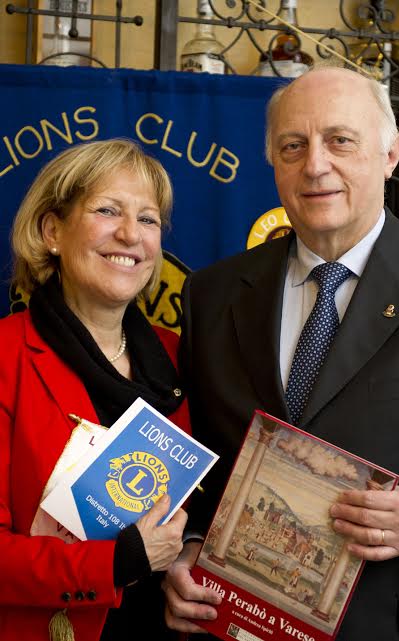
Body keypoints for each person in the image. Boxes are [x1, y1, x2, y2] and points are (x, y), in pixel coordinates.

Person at [162, 66, 399, 641]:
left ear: (390, 154)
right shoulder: (211, 294)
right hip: (234, 621)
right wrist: (187, 548)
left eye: (340, 140)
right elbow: (200, 458)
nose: (315, 165)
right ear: (273, 163)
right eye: (293, 146)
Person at [0, 139, 190, 641]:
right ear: (52, 231)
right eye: (108, 211)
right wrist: (117, 562)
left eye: (147, 219)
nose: (130, 234)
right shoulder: (6, 356)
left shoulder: (180, 357)